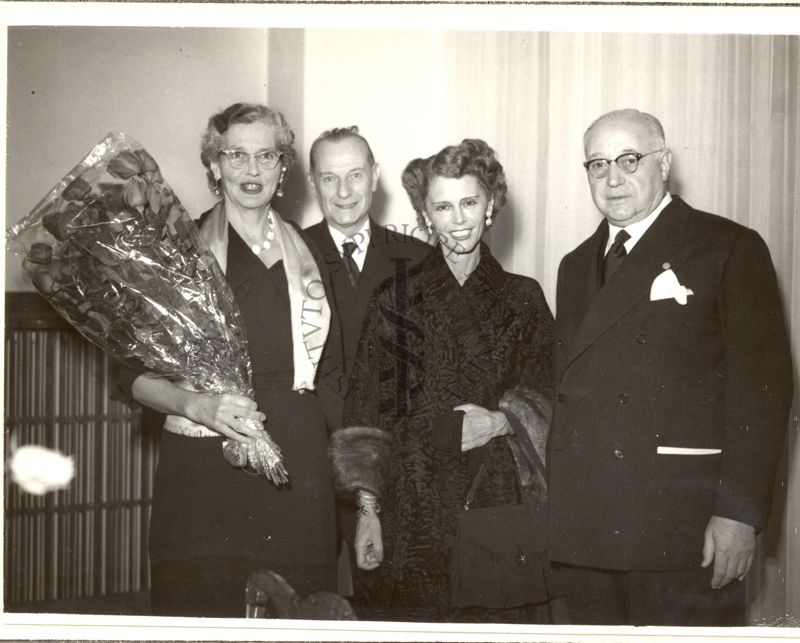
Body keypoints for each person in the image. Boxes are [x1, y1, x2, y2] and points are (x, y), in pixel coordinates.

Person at [548, 108, 793, 626]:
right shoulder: (573, 266)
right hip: (587, 528)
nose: (612, 178)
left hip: (682, 528)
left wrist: (740, 514)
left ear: (664, 163)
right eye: (597, 165)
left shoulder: (728, 247)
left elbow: (763, 393)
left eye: (628, 160)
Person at [116, 103, 338, 617]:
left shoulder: (314, 254)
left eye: (267, 155)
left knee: (298, 613)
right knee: (202, 609)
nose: (252, 170)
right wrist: (196, 406)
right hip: (204, 462)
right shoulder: (177, 250)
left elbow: (336, 376)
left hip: (296, 465)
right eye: (236, 155)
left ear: (284, 167)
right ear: (214, 166)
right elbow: (130, 375)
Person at [330, 139, 554, 622]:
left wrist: (500, 421)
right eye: (443, 206)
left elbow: (551, 396)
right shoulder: (396, 298)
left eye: (470, 202)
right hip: (409, 510)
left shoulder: (524, 298)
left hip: (493, 507)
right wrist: (367, 513)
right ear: (426, 215)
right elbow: (366, 411)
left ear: (491, 204)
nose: (458, 219)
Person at [304, 126, 430, 428]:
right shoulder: (293, 255)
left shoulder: (419, 259)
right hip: (315, 443)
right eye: (330, 178)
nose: (344, 191)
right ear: (312, 184)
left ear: (374, 176)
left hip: (396, 445)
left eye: (355, 175)